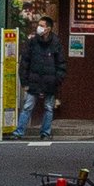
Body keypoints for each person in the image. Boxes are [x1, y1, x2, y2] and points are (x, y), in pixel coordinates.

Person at [18, 14, 63, 144]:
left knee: (48, 107)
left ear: (48, 29)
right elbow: (25, 62)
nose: (39, 28)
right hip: (34, 80)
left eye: (42, 26)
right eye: (39, 25)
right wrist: (24, 82)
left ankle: (45, 132)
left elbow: (61, 64)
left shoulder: (56, 43)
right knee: (27, 106)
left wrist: (57, 81)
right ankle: (19, 131)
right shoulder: (32, 42)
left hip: (49, 82)